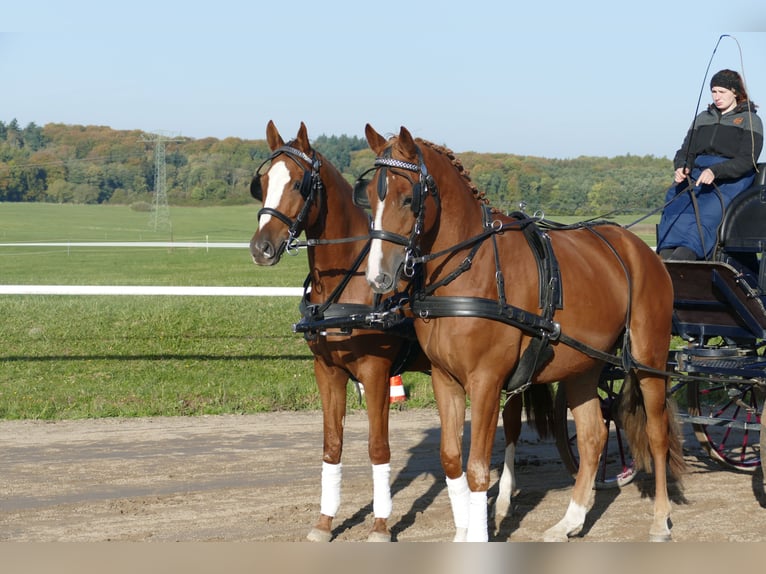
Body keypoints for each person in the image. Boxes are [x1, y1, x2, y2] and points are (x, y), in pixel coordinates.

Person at [657, 69, 764, 261]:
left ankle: (687, 255)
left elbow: (747, 160)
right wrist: (682, 166)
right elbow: (686, 151)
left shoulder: (750, 120)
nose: (717, 97)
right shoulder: (702, 118)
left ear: (735, 92)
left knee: (708, 211)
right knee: (674, 200)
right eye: (714, 91)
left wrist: (715, 171)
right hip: (698, 173)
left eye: (722, 92)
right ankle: (665, 255)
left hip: (732, 178)